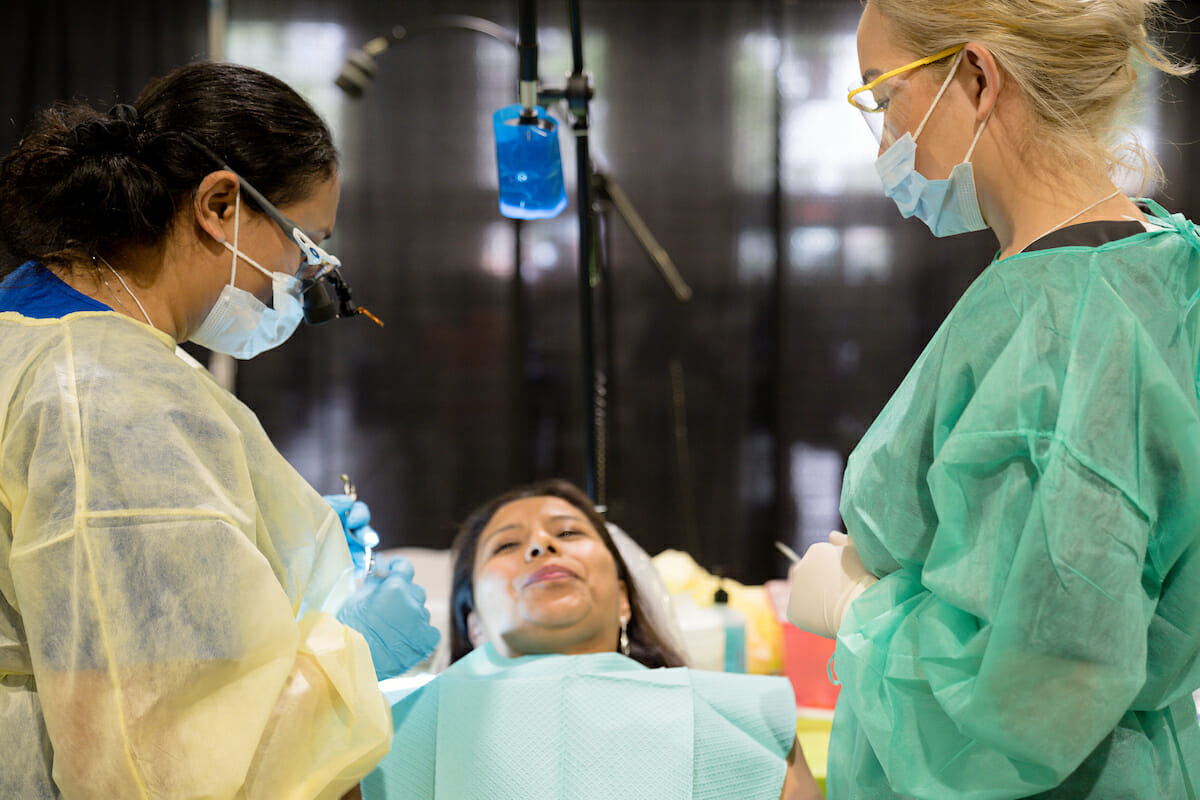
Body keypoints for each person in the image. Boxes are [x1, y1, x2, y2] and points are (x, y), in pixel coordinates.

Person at [785, 1, 1200, 797]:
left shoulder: (1063, 318)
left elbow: (1044, 684)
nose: (884, 142)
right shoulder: (1154, 267)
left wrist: (857, 610)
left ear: (977, 77)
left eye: (883, 95)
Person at [0, 62, 439, 799]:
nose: (303, 280)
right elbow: (168, 754)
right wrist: (355, 647)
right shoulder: (110, 389)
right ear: (221, 203)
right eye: (307, 246)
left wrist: (261, 547)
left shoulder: (35, 326)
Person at [360, 479, 822, 800]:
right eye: (506, 545)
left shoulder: (748, 720)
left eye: (568, 532)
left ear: (624, 597)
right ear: (473, 622)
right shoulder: (388, 737)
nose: (541, 547)